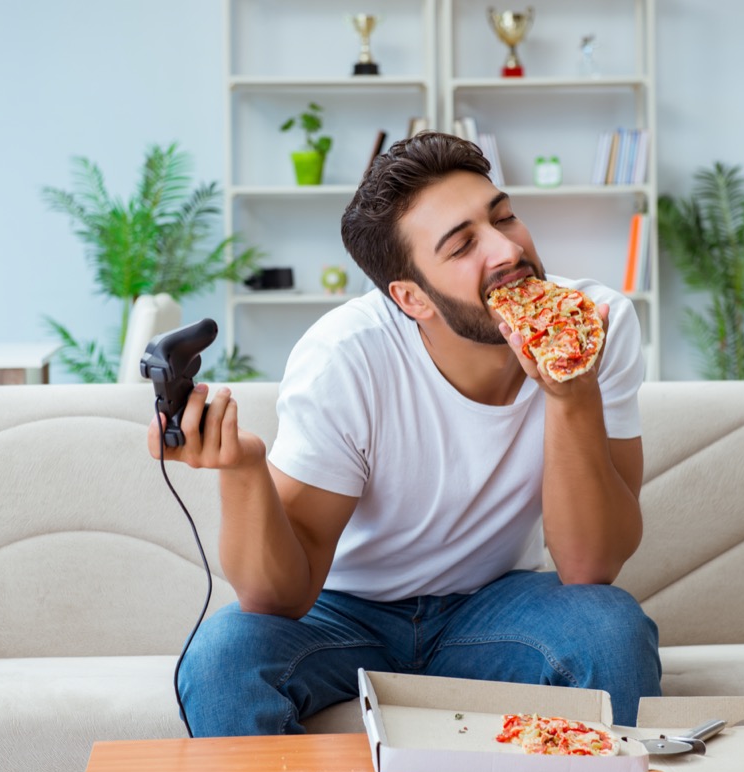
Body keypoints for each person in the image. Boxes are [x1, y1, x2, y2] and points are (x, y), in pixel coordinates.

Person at [148, 131, 661, 737]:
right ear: (411, 297)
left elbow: (589, 565)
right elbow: (278, 598)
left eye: (504, 217)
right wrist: (244, 470)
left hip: (496, 606)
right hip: (342, 617)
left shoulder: (597, 323)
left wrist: (570, 392)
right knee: (222, 654)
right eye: (463, 245)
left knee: (611, 626)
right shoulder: (346, 356)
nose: (506, 250)